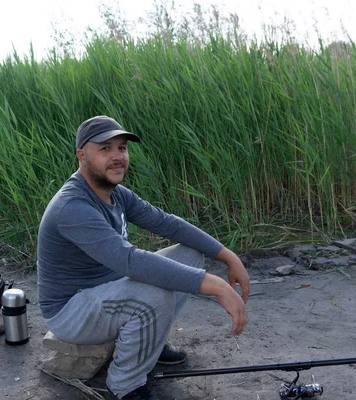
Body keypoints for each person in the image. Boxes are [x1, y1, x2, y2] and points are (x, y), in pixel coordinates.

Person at [36, 115, 250, 400]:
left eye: (122, 148)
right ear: (81, 155)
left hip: (106, 292)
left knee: (189, 254)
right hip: (70, 311)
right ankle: (126, 384)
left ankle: (151, 342)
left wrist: (228, 256)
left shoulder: (117, 194)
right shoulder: (72, 206)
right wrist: (214, 284)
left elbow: (168, 224)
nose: (117, 157)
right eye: (105, 148)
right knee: (154, 293)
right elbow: (130, 260)